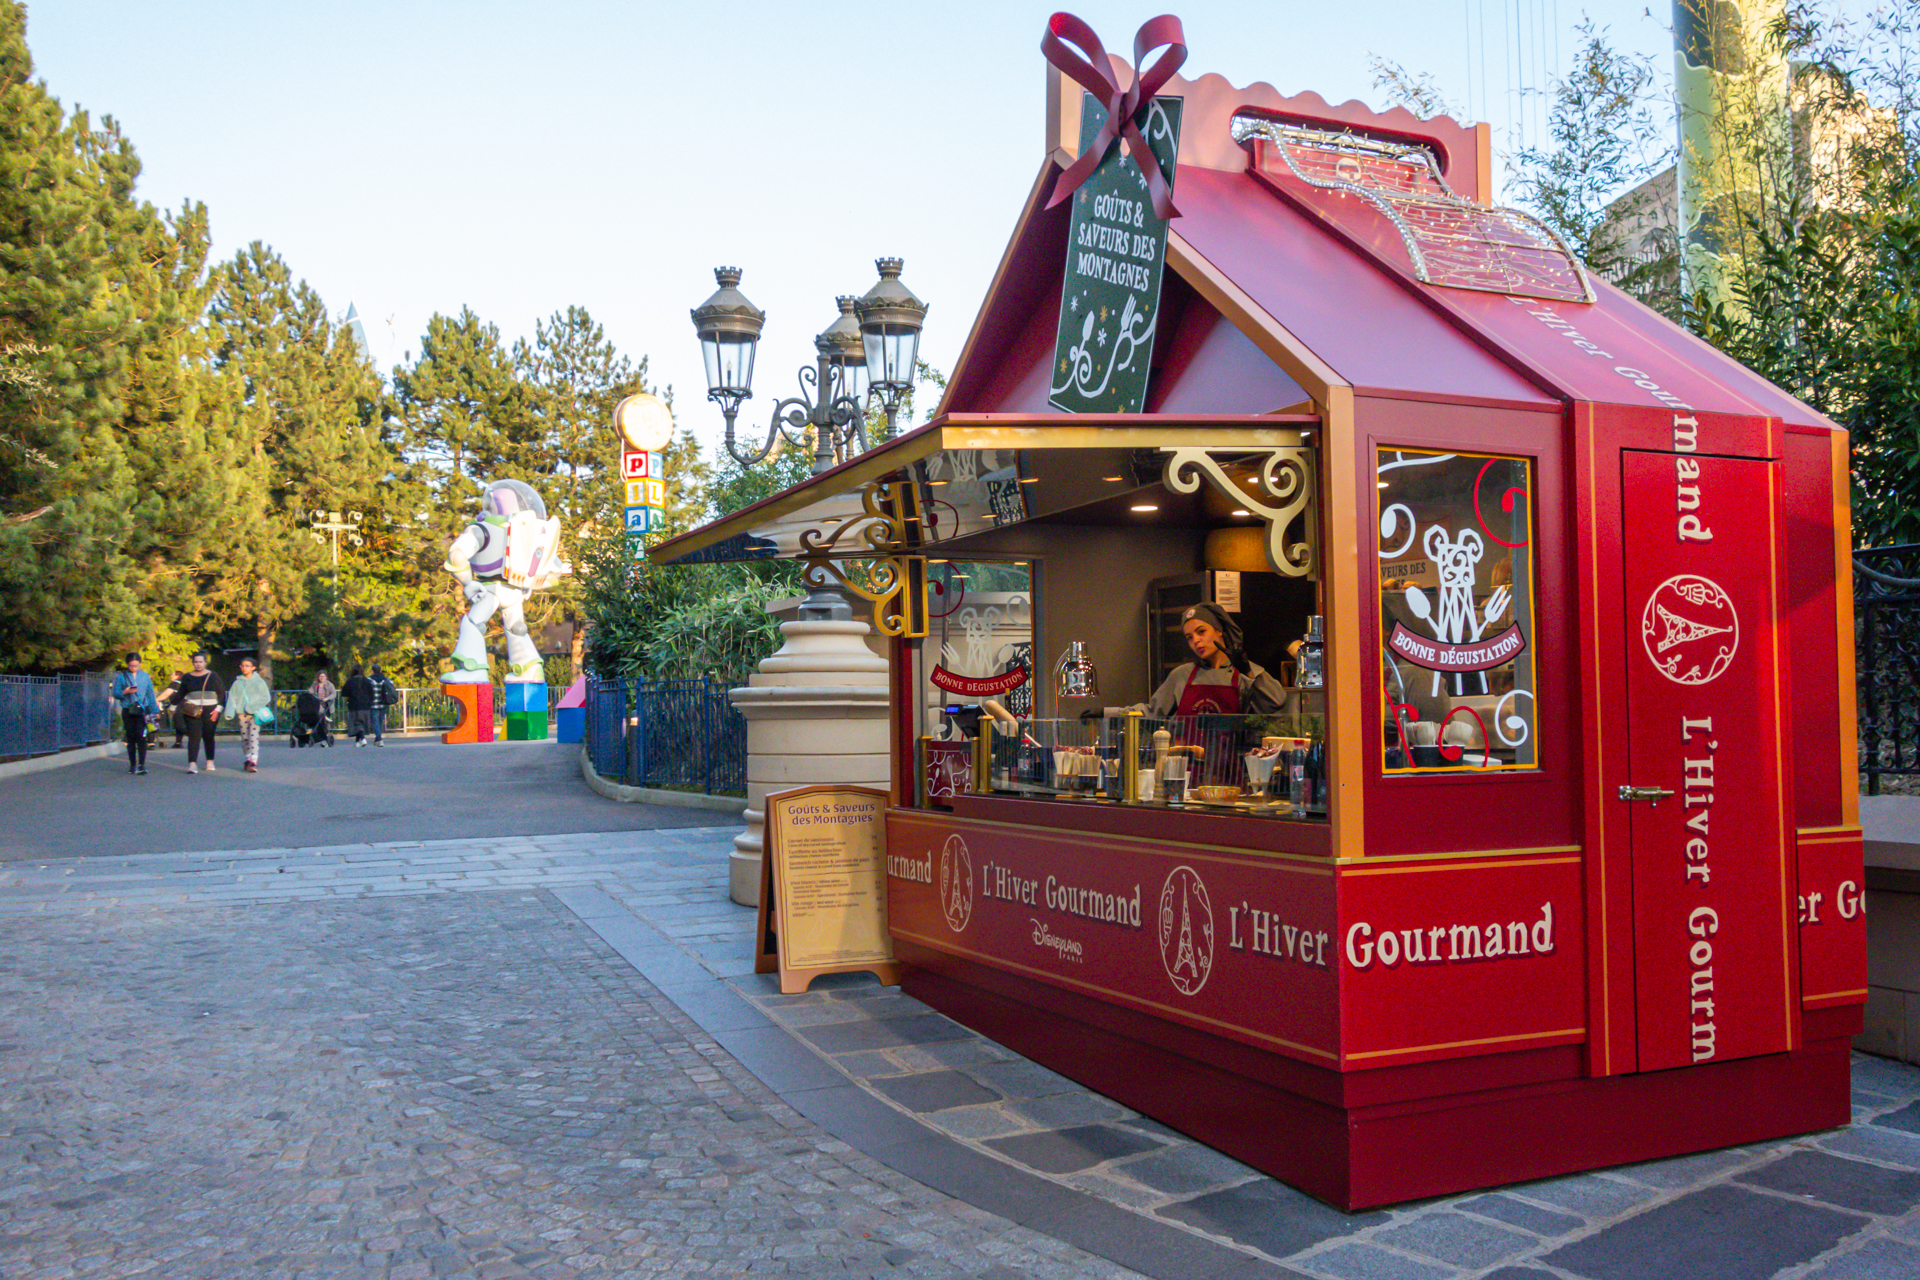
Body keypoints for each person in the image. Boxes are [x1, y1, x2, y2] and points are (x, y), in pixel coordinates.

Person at [1140, 602, 1286, 717]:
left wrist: (1248, 672)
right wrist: (1124, 712)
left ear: (1219, 630)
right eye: (1189, 637)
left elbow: (1276, 702)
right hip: (1189, 747)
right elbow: (1151, 712)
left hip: (1232, 747)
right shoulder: (1182, 674)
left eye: (1201, 632)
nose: (1196, 640)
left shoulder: (1244, 672)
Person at [176, 651, 225, 774]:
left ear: (205, 663)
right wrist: (172, 705)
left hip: (211, 710)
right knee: (194, 737)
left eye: (201, 662)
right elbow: (181, 693)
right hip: (192, 710)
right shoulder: (187, 677)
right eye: (196, 662)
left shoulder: (213, 676)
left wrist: (218, 709)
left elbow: (221, 693)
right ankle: (192, 764)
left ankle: (210, 761)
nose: (198, 664)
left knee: (209, 736)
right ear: (193, 663)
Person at [111, 653, 159, 775]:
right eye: (131, 665)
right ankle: (133, 764)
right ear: (127, 664)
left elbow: (150, 694)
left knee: (141, 736)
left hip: (142, 710)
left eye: (136, 665)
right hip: (128, 709)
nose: (133, 668)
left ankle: (142, 765)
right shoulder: (121, 676)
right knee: (131, 737)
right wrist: (125, 692)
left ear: (140, 664)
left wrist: (155, 711)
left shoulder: (145, 676)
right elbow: (115, 693)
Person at [225, 657, 273, 774]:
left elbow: (266, 697)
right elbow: (232, 698)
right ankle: (248, 758)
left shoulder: (259, 682)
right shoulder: (237, 682)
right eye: (242, 665)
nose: (244, 668)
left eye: (247, 665)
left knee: (253, 736)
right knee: (245, 737)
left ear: (253, 667)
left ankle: (253, 761)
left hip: (255, 713)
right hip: (242, 714)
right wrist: (229, 712)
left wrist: (253, 706)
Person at [343, 666, 376, 746]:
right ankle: (357, 741)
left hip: (354, 705)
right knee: (361, 722)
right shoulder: (367, 681)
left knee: (356, 722)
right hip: (365, 706)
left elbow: (344, 692)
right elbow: (372, 693)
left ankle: (362, 738)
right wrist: (370, 703)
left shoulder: (350, 681)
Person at [369, 664, 398, 745]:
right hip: (384, 703)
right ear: (380, 670)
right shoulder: (386, 680)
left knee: (375, 722)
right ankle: (377, 739)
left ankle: (379, 739)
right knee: (380, 721)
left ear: (372, 671)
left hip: (373, 704)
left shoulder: (369, 680)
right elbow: (392, 689)